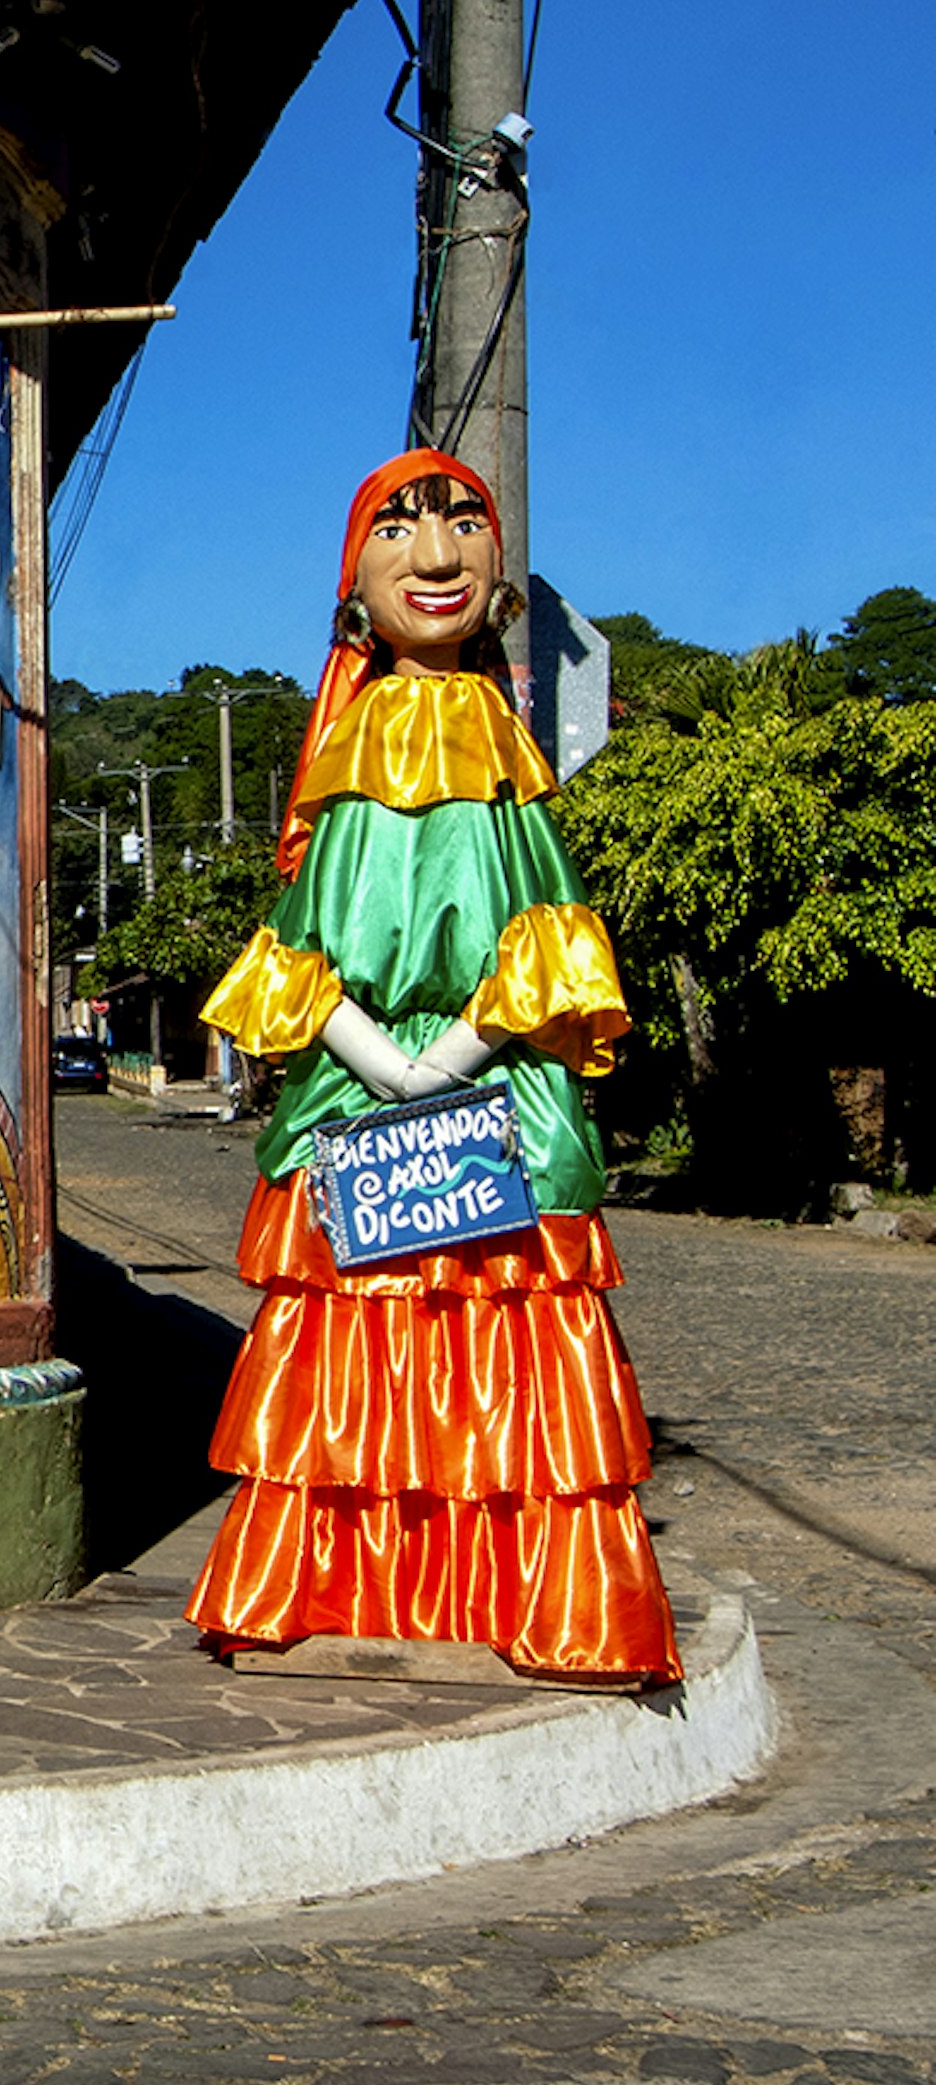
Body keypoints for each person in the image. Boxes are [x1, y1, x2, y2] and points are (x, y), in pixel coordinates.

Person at [185, 449, 680, 1686]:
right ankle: (342, 1580)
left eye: (465, 524)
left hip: (485, 1087)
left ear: (501, 571)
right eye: (401, 531)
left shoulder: (501, 743)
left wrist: (451, 1056)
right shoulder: (355, 742)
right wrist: (385, 1065)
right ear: (356, 585)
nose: (439, 555)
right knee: (355, 1336)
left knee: (504, 1331)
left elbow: (543, 934)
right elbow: (304, 953)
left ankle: (531, 1595)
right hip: (375, 1095)